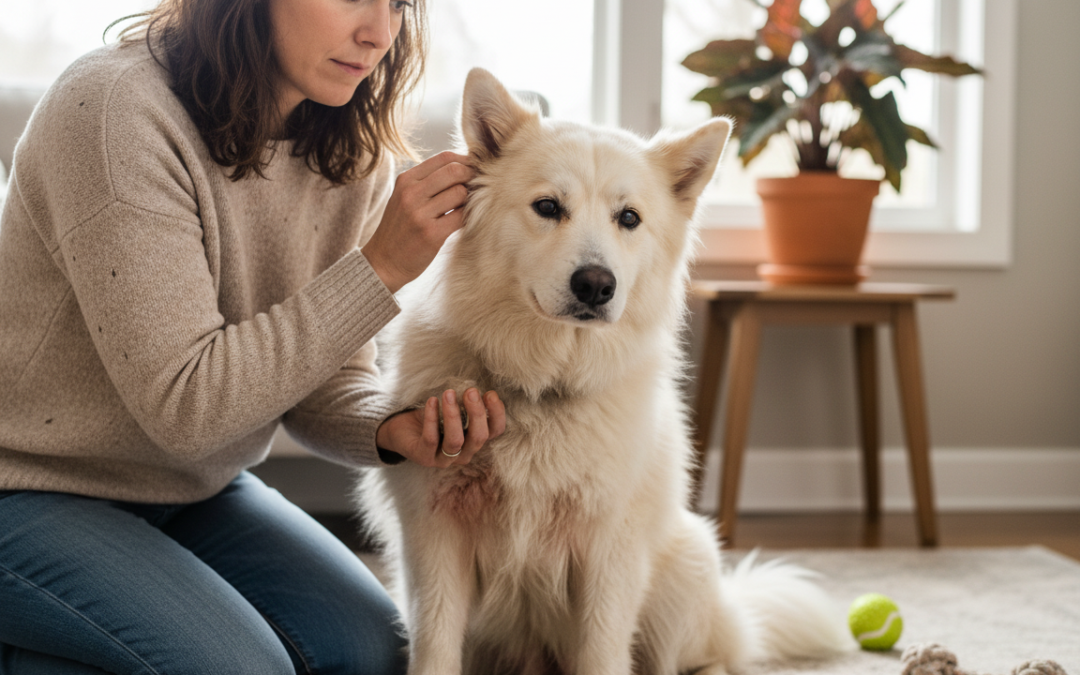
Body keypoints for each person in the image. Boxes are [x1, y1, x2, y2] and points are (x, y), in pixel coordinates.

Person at [0, 0, 506, 672]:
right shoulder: (113, 110)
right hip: (26, 487)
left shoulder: (349, 150)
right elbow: (188, 406)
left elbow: (325, 385)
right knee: (243, 667)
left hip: (194, 488)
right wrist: (380, 267)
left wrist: (394, 426)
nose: (380, 34)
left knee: (373, 651)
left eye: (398, 5)